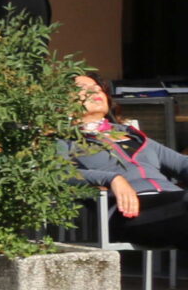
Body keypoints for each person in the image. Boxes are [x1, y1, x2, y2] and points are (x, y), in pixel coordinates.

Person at [70, 71, 188, 248]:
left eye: (98, 88)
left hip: (174, 201)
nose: (95, 92)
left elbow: (181, 163)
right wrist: (112, 179)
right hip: (130, 212)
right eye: (84, 89)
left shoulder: (134, 136)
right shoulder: (64, 139)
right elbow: (57, 175)